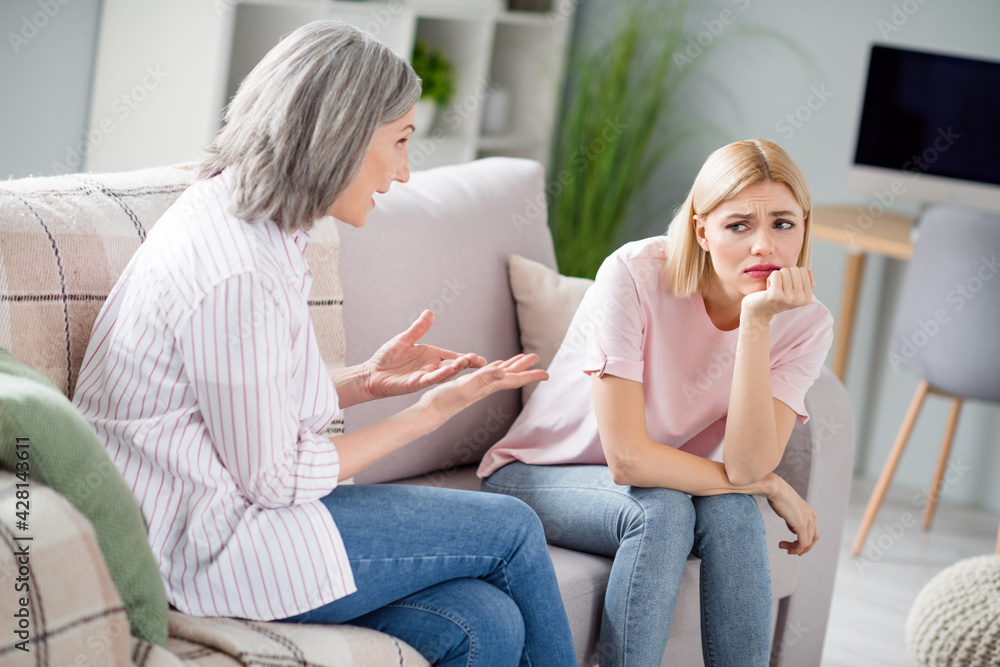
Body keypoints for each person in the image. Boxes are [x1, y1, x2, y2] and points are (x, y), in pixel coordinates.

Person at [72, 20, 577, 667]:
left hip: (229, 516)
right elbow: (276, 474)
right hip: (208, 547)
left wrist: (366, 378)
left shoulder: (258, 229)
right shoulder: (236, 267)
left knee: (482, 622)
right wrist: (431, 412)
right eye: (398, 141)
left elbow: (239, 397)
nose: (403, 171)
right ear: (340, 133)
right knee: (512, 527)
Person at [477, 139, 834, 667]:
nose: (764, 246)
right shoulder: (634, 273)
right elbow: (627, 460)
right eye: (739, 225)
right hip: (540, 472)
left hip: (668, 479)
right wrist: (769, 484)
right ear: (702, 231)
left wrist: (757, 323)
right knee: (661, 511)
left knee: (735, 513)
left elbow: (745, 467)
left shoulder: (805, 322)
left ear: (803, 228)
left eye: (783, 223)